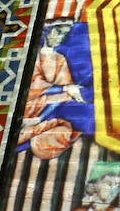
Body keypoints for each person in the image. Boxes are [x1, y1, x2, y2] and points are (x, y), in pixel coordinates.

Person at [17, 21, 84, 160]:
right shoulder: (33, 56)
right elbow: (33, 86)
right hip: (28, 105)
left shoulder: (60, 59)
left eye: (64, 34)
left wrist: (40, 118)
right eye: (58, 32)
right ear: (49, 31)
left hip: (43, 111)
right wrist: (64, 88)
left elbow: (63, 95)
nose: (60, 37)